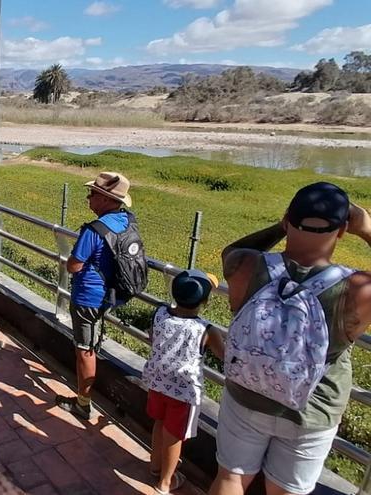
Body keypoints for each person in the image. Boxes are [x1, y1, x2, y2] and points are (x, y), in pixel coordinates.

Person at [210, 183, 371, 495]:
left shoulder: (245, 265)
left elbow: (229, 251)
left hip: (245, 392)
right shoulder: (358, 289)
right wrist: (366, 229)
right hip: (312, 410)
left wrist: (284, 225)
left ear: (286, 220)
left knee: (230, 477)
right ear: (341, 231)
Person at [55, 172, 134, 420]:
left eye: (92, 194)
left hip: (88, 297)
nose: (89, 198)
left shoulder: (95, 230)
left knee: (84, 350)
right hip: (110, 294)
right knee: (90, 344)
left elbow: (74, 265)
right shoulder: (127, 221)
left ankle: (83, 403)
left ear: (106, 200)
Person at [143, 270, 223, 495]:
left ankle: (155, 466)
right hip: (184, 392)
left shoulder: (159, 313)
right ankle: (165, 482)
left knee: (159, 423)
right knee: (174, 436)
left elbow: (153, 337)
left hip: (157, 381)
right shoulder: (206, 330)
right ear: (204, 301)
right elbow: (224, 356)